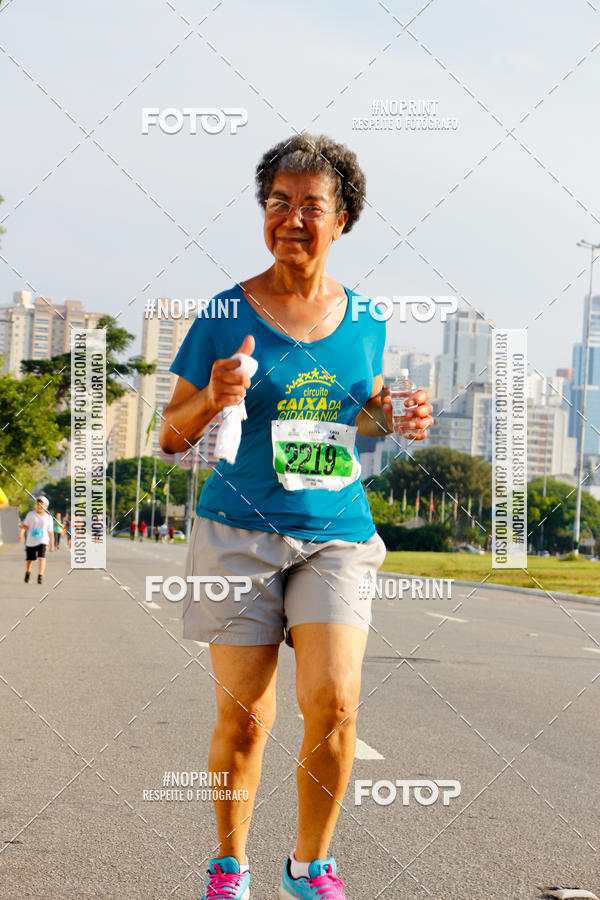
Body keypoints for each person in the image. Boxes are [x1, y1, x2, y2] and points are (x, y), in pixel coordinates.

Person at [160, 134, 433, 900]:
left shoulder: (367, 319)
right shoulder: (223, 313)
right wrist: (212, 396)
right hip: (236, 534)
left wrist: (394, 416)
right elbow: (170, 436)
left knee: (337, 703)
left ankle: (310, 867)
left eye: (310, 205)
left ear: (343, 218)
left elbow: (364, 418)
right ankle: (230, 865)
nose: (291, 218)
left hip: (336, 534)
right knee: (246, 721)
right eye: (278, 203)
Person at [18, 495, 54, 584]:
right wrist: (21, 533)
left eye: (41, 504)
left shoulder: (49, 517)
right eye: (38, 504)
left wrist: (52, 545)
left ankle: (40, 575)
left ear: (46, 506)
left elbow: (50, 532)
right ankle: (28, 572)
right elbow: (25, 525)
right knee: (30, 559)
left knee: (41, 557)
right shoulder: (31, 514)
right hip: (31, 540)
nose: (39, 506)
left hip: (43, 540)